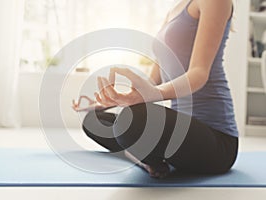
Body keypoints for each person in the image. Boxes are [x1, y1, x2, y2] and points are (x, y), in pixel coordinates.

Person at [72, 0, 238, 179]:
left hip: (216, 143)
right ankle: (145, 158)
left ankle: (143, 154)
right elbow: (151, 82)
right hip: (180, 134)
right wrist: (107, 102)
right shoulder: (175, 9)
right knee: (94, 121)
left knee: (133, 119)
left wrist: (155, 94)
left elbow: (199, 72)